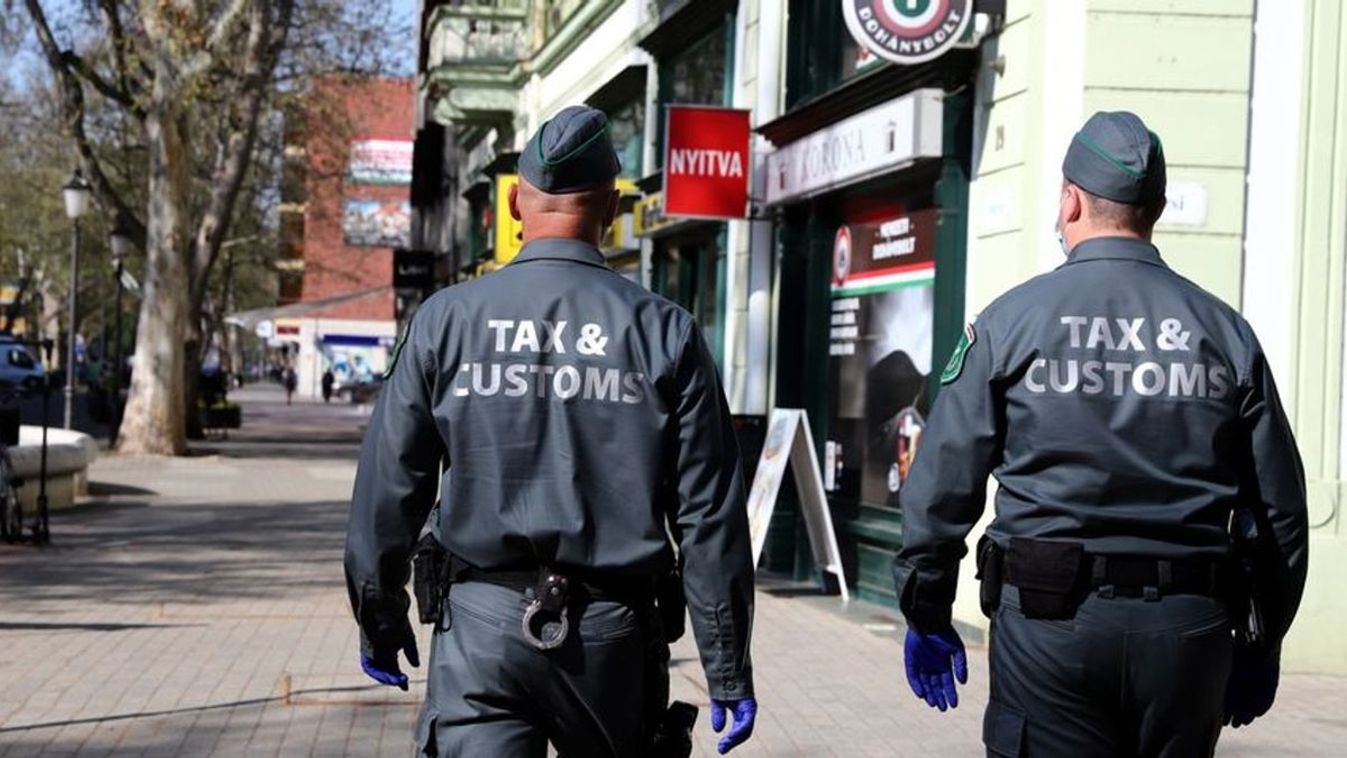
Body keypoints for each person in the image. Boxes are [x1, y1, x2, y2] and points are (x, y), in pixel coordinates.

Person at [344, 105, 757, 757]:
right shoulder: (664, 331)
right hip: (610, 639)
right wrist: (727, 667)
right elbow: (708, 516)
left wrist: (379, 615)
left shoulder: (444, 321)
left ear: (513, 203)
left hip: (479, 632)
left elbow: (389, 491)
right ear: (613, 207)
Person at [892, 111, 1308, 757]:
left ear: (1070, 199)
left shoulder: (1010, 323)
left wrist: (924, 606)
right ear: (1157, 207)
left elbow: (943, 483)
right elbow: (1278, 511)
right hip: (1188, 633)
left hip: (1048, 631)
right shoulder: (1224, 333)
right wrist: (1261, 641)